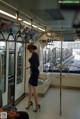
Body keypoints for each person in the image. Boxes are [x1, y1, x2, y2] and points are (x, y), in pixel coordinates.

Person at [26, 44, 40, 112]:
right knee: (29, 86)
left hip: (34, 73)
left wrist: (29, 67)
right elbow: (36, 64)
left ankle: (37, 105)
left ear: (31, 49)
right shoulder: (34, 54)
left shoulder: (34, 55)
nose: (28, 51)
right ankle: (29, 102)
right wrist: (30, 67)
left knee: (34, 91)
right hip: (33, 73)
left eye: (29, 50)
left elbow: (35, 65)